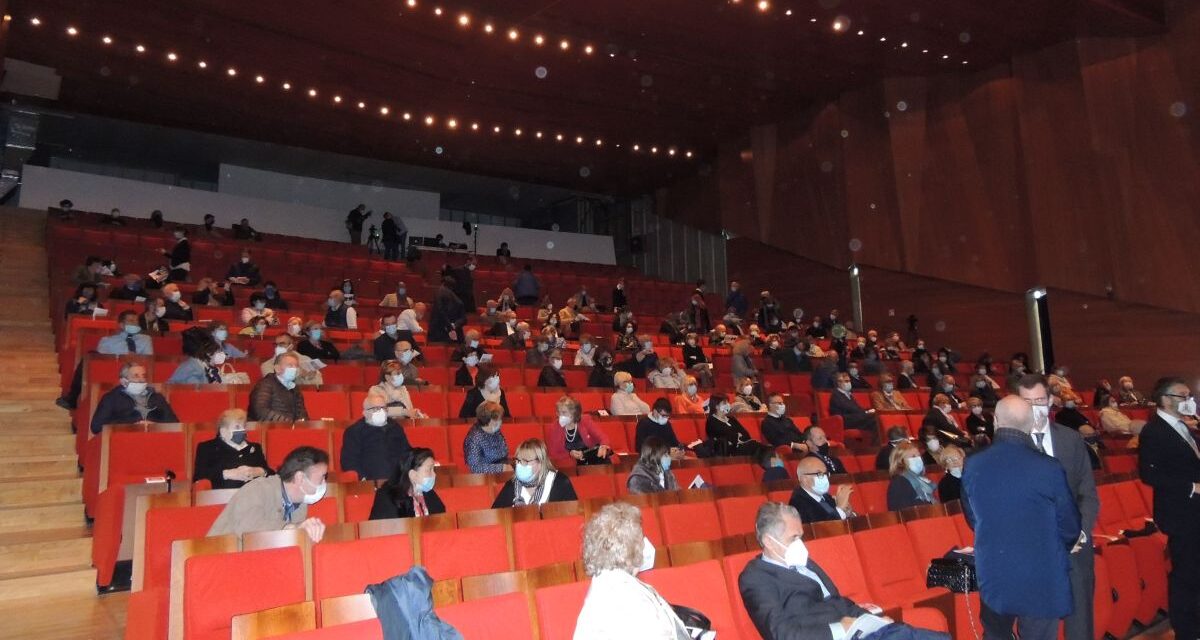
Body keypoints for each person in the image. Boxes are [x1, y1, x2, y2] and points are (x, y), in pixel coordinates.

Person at [961, 395, 1082, 640]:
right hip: (1042, 571)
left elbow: (972, 517)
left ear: (995, 421)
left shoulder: (973, 463)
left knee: (996, 635)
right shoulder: (1048, 467)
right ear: (1031, 424)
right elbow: (1069, 525)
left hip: (994, 569)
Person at [740, 503, 941, 640]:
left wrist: (873, 620)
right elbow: (780, 633)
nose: (800, 544)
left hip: (857, 631)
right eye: (793, 538)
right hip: (832, 636)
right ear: (769, 542)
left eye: (801, 537)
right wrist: (839, 629)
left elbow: (838, 601)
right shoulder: (756, 577)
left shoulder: (804, 562)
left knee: (916, 634)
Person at [1015, 374, 1098, 640]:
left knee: (1080, 623)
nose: (1034, 407)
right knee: (1038, 628)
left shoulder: (1071, 440)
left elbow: (1087, 493)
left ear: (1051, 401)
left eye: (1039, 400)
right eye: (1027, 402)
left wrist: (1080, 532)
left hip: (1075, 547)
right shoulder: (1009, 445)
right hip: (1033, 551)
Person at [1138, 377, 1200, 640]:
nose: (1188, 400)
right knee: (1186, 575)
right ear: (1165, 399)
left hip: (1194, 511)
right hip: (1180, 513)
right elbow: (1150, 474)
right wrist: (1191, 486)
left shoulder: (1184, 427)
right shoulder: (1154, 431)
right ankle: (1187, 631)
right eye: (1182, 396)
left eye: (1189, 396)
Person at [575, 503, 689, 638]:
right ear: (632, 549)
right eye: (641, 539)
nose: (644, 545)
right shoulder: (627, 598)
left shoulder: (605, 583)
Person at [208, 446, 328, 542]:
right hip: (221, 558)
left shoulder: (299, 502)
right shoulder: (257, 489)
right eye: (322, 477)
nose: (324, 482)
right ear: (300, 478)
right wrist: (290, 528)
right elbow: (248, 529)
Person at [341, 390, 413, 482]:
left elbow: (407, 452)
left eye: (384, 408)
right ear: (366, 411)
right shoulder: (354, 431)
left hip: (398, 481)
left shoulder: (395, 427)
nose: (381, 411)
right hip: (370, 481)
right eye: (376, 409)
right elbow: (349, 462)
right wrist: (363, 479)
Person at [90, 361, 179, 433]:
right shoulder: (111, 399)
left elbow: (175, 424)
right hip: (124, 440)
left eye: (143, 376)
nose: (141, 380)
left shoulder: (157, 398)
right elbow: (96, 427)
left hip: (155, 438)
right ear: (124, 381)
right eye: (136, 376)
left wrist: (154, 426)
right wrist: (132, 426)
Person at [193, 409, 271, 490]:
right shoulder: (207, 448)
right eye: (237, 427)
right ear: (223, 431)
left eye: (244, 426)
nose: (243, 430)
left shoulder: (254, 447)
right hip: (222, 494)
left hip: (254, 494)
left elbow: (271, 473)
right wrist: (226, 474)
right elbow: (199, 476)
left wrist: (260, 471)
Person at [492, 438, 577, 507]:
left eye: (525, 461)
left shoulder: (560, 483)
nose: (520, 465)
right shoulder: (511, 485)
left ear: (540, 463)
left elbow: (572, 515)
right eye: (518, 461)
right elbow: (497, 514)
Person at [369, 448, 446, 519]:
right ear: (413, 475)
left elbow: (441, 521)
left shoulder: (429, 494)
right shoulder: (387, 497)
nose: (434, 475)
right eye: (429, 470)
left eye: (434, 469)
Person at [546, 395, 612, 467]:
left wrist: (603, 445)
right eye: (558, 412)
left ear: (574, 413)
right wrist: (569, 454)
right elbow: (552, 453)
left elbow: (603, 437)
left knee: (603, 457)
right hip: (571, 460)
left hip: (589, 455)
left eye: (564, 412)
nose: (560, 416)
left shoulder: (585, 420)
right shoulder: (554, 427)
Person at [789, 456, 855, 523]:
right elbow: (821, 527)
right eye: (819, 474)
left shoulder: (826, 496)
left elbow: (838, 515)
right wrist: (840, 508)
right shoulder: (797, 503)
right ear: (804, 479)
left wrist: (847, 513)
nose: (825, 478)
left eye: (826, 473)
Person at [248, 352, 309, 422]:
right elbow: (261, 411)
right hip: (268, 426)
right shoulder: (265, 384)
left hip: (291, 426)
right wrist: (288, 422)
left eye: (296, 366)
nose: (294, 369)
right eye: (290, 365)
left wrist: (303, 421)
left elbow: (302, 412)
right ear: (277, 368)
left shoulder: (294, 387)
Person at [463, 401, 512, 474]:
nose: (500, 422)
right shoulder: (475, 438)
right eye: (497, 420)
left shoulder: (495, 431)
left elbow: (503, 453)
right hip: (485, 477)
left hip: (502, 472)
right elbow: (475, 467)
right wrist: (501, 468)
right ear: (488, 420)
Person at [886, 442, 937, 511]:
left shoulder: (921, 480)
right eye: (913, 456)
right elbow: (902, 512)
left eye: (919, 456)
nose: (918, 459)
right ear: (901, 461)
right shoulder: (899, 483)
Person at [829, 373, 879, 441]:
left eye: (849, 381)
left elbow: (857, 408)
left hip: (854, 418)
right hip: (845, 421)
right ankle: (876, 442)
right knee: (874, 418)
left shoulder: (848, 394)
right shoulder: (836, 395)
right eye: (846, 381)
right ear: (839, 382)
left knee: (876, 417)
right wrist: (865, 413)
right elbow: (850, 408)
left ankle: (876, 442)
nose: (849, 383)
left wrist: (867, 411)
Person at [429, 275, 465, 344]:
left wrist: (450, 326)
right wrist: (453, 326)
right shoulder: (458, 301)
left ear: (443, 284)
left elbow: (440, 311)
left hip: (439, 331)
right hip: (453, 332)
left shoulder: (439, 292)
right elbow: (464, 319)